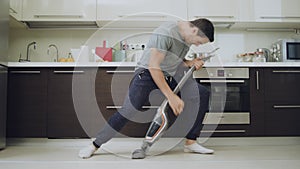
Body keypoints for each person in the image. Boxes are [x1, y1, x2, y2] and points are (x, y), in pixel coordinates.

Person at [79, 18, 215, 159]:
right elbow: (154, 66)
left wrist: (190, 62)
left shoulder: (186, 38)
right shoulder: (166, 33)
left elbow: (173, 61)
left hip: (169, 76)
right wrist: (171, 96)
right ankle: (95, 145)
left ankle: (191, 142)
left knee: (201, 93)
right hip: (148, 73)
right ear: (194, 30)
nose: (197, 46)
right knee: (130, 108)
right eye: (199, 42)